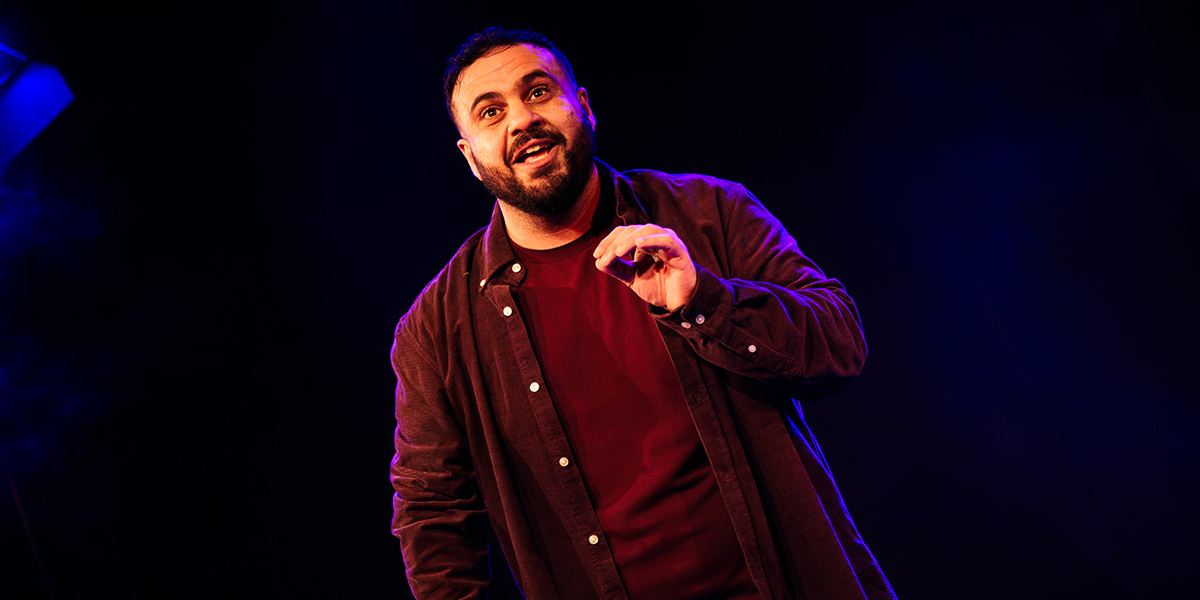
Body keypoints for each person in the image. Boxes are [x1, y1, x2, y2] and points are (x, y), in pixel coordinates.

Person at [390, 26, 897, 600]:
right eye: (490, 112)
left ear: (584, 106)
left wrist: (704, 301)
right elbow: (431, 514)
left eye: (538, 92)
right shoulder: (436, 329)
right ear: (470, 156)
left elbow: (839, 345)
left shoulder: (709, 211)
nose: (521, 120)